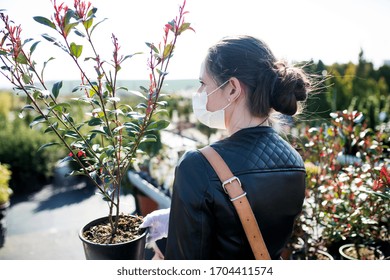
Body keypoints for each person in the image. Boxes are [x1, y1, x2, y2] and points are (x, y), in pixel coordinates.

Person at [140, 35, 311, 260]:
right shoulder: (294, 161)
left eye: (203, 84)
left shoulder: (198, 166)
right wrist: (184, 218)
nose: (199, 94)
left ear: (232, 89)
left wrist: (167, 245)